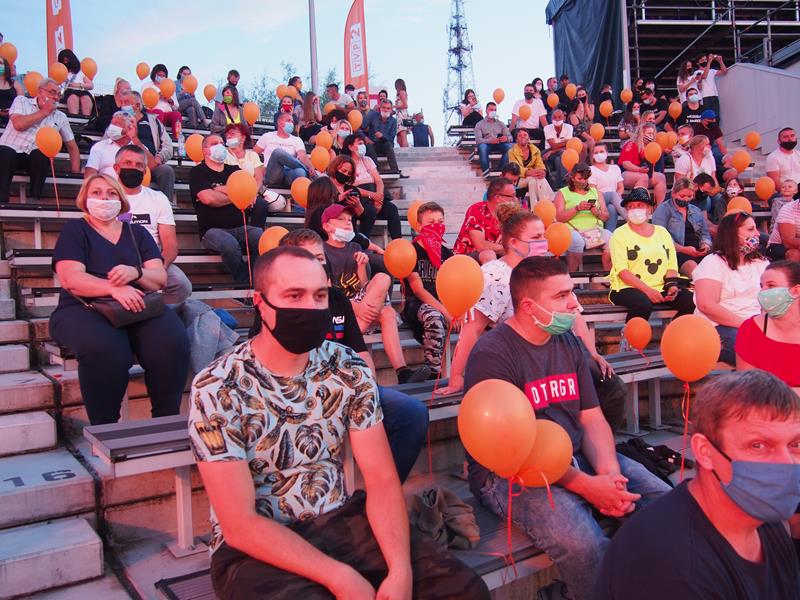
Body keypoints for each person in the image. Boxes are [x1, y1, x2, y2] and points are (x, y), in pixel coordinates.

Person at [190, 246, 489, 600]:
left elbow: (381, 480)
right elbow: (240, 524)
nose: (311, 307)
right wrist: (340, 577)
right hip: (252, 549)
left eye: (319, 296)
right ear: (261, 303)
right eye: (294, 296)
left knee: (465, 591)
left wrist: (400, 570)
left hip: (337, 520)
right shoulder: (218, 386)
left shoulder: (347, 368)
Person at [466, 256, 671, 600]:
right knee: (583, 544)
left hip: (574, 454)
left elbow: (591, 417)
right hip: (510, 473)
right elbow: (514, 452)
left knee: (664, 506)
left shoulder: (568, 342)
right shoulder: (492, 354)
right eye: (562, 296)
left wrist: (609, 475)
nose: (574, 303)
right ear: (528, 306)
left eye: (572, 292)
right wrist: (589, 487)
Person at [246, 229, 430, 482]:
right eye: (307, 258)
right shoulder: (275, 305)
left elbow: (360, 352)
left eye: (320, 258)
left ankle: (378, 492)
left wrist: (367, 390)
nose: (316, 266)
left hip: (345, 384)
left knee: (412, 413)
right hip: (295, 390)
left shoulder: (337, 299)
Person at [598, 369, 800, 600]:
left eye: (795, 444)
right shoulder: (669, 567)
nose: (786, 463)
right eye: (758, 445)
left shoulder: (762, 519)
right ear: (705, 451)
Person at [49, 174, 189, 425]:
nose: (104, 198)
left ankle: (165, 421)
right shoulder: (75, 230)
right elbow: (70, 278)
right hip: (84, 307)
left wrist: (136, 273)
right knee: (106, 350)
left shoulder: (138, 233)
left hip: (137, 304)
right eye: (97, 192)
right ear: (85, 198)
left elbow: (159, 278)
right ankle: (106, 430)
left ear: (121, 199)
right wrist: (113, 289)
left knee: (172, 341)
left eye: (111, 193)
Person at [437, 206, 616, 399]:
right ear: (514, 242)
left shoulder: (547, 269)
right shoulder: (495, 275)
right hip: (519, 357)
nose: (544, 242)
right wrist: (456, 376)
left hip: (559, 349)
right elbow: (473, 328)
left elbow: (574, 315)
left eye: (544, 236)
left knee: (611, 387)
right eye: (536, 237)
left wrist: (592, 354)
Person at [321, 204, 429, 384]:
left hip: (360, 309)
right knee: (385, 309)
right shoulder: (322, 251)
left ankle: (402, 372)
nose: (347, 223)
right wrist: (358, 308)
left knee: (384, 289)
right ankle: (347, 345)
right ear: (327, 226)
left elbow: (362, 286)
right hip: (339, 311)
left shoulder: (355, 247)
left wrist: (361, 266)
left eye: (349, 220)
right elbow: (329, 294)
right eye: (341, 220)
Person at [112, 144, 191, 305]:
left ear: (145, 170)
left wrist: (156, 270)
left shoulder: (158, 198)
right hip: (115, 261)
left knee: (181, 285)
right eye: (128, 163)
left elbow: (170, 246)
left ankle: (158, 312)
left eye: (139, 165)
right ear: (116, 168)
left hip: (152, 261)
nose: (133, 168)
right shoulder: (107, 198)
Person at [608, 187, 696, 321]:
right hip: (628, 287)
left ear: (649, 209)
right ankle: (631, 334)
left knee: (692, 301)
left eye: (640, 205)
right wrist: (648, 291)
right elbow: (622, 271)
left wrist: (671, 285)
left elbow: (671, 265)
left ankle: (673, 332)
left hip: (661, 285)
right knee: (642, 303)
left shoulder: (662, 232)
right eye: (631, 207)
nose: (635, 209)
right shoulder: (619, 234)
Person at [693, 211, 769, 365]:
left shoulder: (761, 263)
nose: (757, 234)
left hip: (757, 323)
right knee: (757, 354)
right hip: (719, 326)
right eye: (750, 229)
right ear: (732, 233)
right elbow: (706, 305)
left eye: (756, 228)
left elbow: (769, 298)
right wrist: (747, 326)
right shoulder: (713, 262)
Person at [189, 134, 262, 283]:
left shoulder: (235, 170)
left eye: (222, 143)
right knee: (229, 245)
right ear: (204, 150)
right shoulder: (198, 172)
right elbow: (208, 199)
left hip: (240, 228)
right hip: (212, 230)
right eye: (214, 143)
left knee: (260, 236)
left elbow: (245, 193)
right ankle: (244, 283)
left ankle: (251, 280)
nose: (220, 145)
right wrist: (234, 193)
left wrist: (217, 188)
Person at [0, 77, 80, 202]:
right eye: (52, 92)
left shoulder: (61, 117)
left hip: (33, 157)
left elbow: (72, 147)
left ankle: (35, 199)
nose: (56, 97)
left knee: (42, 154)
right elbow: (19, 124)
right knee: (6, 152)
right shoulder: (22, 101)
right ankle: (2, 200)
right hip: (11, 151)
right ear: (39, 91)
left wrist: (76, 175)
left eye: (59, 94)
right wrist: (44, 112)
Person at [402, 202, 454, 379]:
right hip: (416, 304)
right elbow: (418, 289)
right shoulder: (411, 251)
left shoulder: (447, 253)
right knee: (435, 316)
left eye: (440, 222)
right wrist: (445, 311)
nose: (437, 226)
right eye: (431, 222)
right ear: (419, 226)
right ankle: (433, 373)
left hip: (441, 304)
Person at [736, 261, 800, 391]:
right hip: (766, 403)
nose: (762, 292)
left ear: (795, 291)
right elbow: (748, 387)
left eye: (771, 286)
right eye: (762, 286)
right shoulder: (750, 330)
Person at [120, 90, 176, 206]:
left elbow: (168, 145)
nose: (123, 106)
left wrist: (159, 159)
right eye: (122, 103)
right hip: (126, 163)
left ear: (137, 106)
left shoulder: (153, 121)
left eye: (127, 103)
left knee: (166, 171)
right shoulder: (118, 121)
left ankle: (166, 206)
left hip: (150, 163)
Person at [554, 163, 612, 272]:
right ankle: (573, 275)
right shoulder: (562, 193)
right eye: (580, 179)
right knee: (577, 241)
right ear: (572, 178)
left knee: (612, 238)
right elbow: (559, 218)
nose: (583, 181)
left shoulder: (596, 192)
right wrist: (577, 208)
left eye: (586, 178)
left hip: (595, 232)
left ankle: (607, 274)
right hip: (573, 231)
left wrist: (597, 212)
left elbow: (606, 217)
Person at [343, 133, 402, 240]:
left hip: (375, 194)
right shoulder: (346, 164)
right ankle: (362, 243)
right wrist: (372, 195)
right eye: (359, 143)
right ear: (351, 147)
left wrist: (379, 198)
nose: (363, 146)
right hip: (360, 197)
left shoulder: (368, 160)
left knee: (392, 209)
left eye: (363, 143)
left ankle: (398, 242)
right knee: (369, 212)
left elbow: (379, 181)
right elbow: (349, 186)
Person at [652, 177, 712, 277]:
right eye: (682, 196)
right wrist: (683, 249)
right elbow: (660, 237)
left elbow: (705, 233)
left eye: (689, 196)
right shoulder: (663, 209)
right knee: (693, 268)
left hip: (697, 251)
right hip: (676, 252)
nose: (686, 199)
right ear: (673, 194)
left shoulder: (696, 210)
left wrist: (705, 245)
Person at [453, 177, 513, 261]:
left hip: (498, 255)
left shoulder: (509, 214)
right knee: (488, 254)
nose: (515, 199)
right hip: (467, 259)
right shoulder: (477, 210)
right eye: (512, 196)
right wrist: (508, 249)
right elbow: (480, 246)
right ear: (498, 198)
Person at [254, 112, 314, 187]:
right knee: (278, 152)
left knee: (301, 172)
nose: (291, 123)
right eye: (288, 120)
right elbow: (254, 154)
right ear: (279, 122)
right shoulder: (267, 136)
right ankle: (307, 171)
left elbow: (303, 156)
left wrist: (310, 166)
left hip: (289, 173)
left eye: (292, 122)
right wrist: (260, 169)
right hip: (272, 174)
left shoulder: (297, 140)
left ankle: (305, 170)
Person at [619, 122, 667, 204]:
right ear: (641, 133)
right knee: (643, 176)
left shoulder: (653, 147)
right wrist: (639, 169)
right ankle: (640, 204)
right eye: (649, 133)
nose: (651, 136)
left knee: (661, 177)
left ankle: (660, 206)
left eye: (652, 134)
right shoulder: (631, 144)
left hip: (646, 174)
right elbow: (626, 164)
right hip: (628, 174)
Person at [506, 128, 554, 206]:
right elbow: (515, 168)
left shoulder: (536, 150)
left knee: (534, 181)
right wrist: (528, 172)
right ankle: (550, 202)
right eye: (520, 135)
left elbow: (540, 164)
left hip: (533, 177)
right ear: (516, 140)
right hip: (518, 179)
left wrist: (542, 171)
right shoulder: (511, 152)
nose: (522, 136)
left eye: (525, 135)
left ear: (529, 138)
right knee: (536, 179)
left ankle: (535, 208)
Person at [589, 144, 625, 230]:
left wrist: (616, 197)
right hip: (598, 199)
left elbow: (621, 187)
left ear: (607, 153)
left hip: (614, 200)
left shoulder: (615, 168)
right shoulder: (590, 169)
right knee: (612, 194)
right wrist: (614, 196)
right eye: (596, 152)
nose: (599, 154)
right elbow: (593, 190)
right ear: (593, 156)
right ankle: (629, 218)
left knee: (611, 208)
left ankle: (610, 234)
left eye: (601, 151)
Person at [362, 99, 402, 174]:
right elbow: (360, 128)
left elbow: (391, 138)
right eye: (383, 107)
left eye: (388, 108)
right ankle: (377, 169)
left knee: (388, 144)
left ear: (391, 110)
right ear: (380, 108)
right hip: (373, 145)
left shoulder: (393, 121)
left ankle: (395, 170)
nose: (385, 110)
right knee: (368, 146)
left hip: (385, 146)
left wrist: (382, 136)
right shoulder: (373, 116)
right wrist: (365, 138)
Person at [142, 64, 182, 137]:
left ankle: (177, 137)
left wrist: (170, 100)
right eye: (159, 75)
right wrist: (157, 95)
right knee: (159, 112)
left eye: (163, 75)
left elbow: (176, 107)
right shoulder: (147, 85)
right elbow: (143, 101)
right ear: (154, 75)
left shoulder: (170, 86)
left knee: (177, 115)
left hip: (167, 112)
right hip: (153, 112)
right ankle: (158, 137)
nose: (161, 77)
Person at [473, 102, 512, 175]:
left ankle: (500, 170)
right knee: (482, 147)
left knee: (510, 147)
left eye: (495, 110)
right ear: (486, 110)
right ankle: (486, 172)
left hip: (499, 144)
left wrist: (506, 138)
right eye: (491, 109)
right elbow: (478, 140)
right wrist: (490, 141)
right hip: (487, 144)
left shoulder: (501, 123)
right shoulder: (479, 124)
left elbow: (510, 137)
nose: (493, 112)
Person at [766, 179, 799, 261]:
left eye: (790, 186)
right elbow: (788, 242)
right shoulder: (788, 208)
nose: (786, 188)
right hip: (779, 245)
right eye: (784, 187)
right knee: (794, 254)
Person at [542, 109, 574, 189]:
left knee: (560, 158)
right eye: (554, 117)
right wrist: (566, 142)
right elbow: (553, 145)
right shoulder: (547, 128)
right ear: (551, 118)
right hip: (548, 151)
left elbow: (569, 145)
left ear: (564, 118)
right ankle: (564, 182)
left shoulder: (569, 127)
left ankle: (562, 183)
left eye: (559, 117)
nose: (557, 119)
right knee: (561, 154)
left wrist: (553, 151)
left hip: (557, 152)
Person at [57, 49, 94, 116]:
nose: (66, 63)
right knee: (73, 97)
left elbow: (91, 85)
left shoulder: (79, 73)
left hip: (81, 90)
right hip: (69, 92)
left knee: (86, 98)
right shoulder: (61, 73)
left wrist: (79, 85)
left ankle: (87, 118)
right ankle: (75, 117)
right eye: (64, 61)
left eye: (67, 60)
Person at [511, 82, 548, 147]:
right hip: (521, 129)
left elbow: (543, 119)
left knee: (545, 134)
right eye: (526, 90)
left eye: (531, 90)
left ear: (534, 92)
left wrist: (549, 131)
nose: (528, 92)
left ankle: (539, 151)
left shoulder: (538, 102)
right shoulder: (518, 103)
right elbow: (514, 120)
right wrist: (509, 133)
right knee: (514, 133)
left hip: (534, 129)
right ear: (524, 92)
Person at [694, 53, 727, 121]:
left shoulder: (712, 71)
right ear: (697, 63)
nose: (704, 61)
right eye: (702, 60)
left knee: (716, 117)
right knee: (707, 117)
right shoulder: (697, 72)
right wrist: (709, 62)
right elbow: (704, 76)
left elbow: (724, 72)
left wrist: (720, 61)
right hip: (705, 97)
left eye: (705, 59)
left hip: (714, 95)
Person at [0, 57, 21, 124]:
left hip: (12, 120)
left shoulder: (15, 84)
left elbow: (22, 103)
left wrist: (12, 110)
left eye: (0, 63)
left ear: (5, 66)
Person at [393, 78, 410, 148]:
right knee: (399, 139)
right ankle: (404, 150)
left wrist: (394, 106)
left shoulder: (401, 92)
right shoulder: (401, 93)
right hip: (399, 116)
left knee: (403, 137)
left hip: (402, 117)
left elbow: (405, 105)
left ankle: (406, 152)